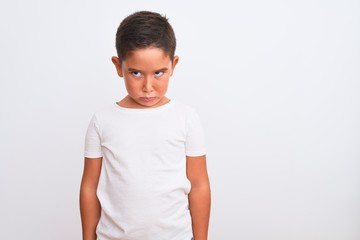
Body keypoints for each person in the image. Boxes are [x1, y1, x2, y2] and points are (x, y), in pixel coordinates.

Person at [80, 11, 211, 240]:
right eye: (136, 73)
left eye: (159, 73)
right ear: (118, 66)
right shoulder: (102, 121)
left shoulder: (186, 118)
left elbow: (199, 185)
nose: (148, 86)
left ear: (173, 64)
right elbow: (89, 187)